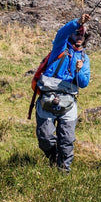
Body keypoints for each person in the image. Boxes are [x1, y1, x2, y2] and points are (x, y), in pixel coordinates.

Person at [35, 13, 91, 172]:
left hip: (69, 102)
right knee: (45, 139)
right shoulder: (59, 46)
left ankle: (63, 173)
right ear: (71, 34)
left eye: (82, 34)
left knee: (66, 140)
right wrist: (77, 22)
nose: (79, 36)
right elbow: (61, 33)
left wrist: (79, 71)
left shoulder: (84, 58)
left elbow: (84, 83)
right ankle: (53, 158)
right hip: (47, 97)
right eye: (76, 33)